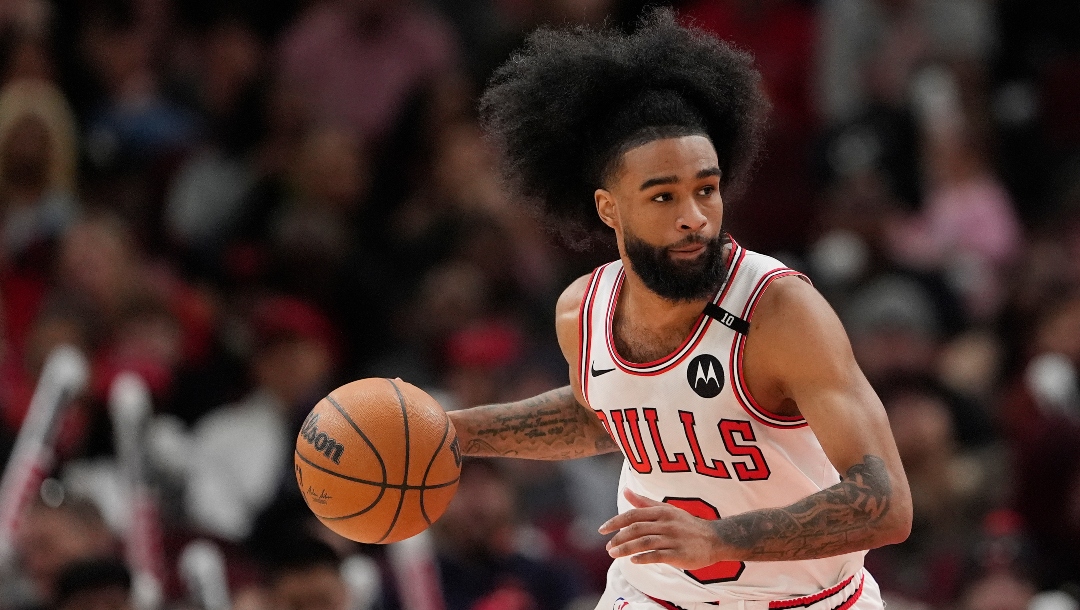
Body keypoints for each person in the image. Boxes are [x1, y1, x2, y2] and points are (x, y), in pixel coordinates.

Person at [446, 10, 912, 610]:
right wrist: (456, 431)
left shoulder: (780, 310)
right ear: (609, 210)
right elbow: (605, 412)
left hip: (807, 603)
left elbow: (887, 503)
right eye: (663, 195)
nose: (694, 215)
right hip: (649, 597)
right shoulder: (581, 311)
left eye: (706, 188)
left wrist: (717, 539)